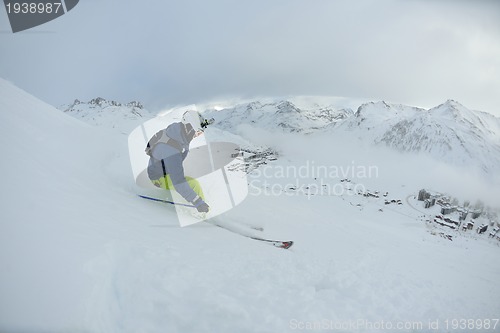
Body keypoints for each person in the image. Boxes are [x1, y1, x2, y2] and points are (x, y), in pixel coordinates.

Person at [145, 110, 210, 213]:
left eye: (200, 133)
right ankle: (203, 212)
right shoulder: (171, 149)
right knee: (194, 184)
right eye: (197, 132)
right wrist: (198, 202)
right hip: (158, 178)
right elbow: (178, 181)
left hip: (162, 169)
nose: (197, 135)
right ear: (188, 128)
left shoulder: (177, 133)